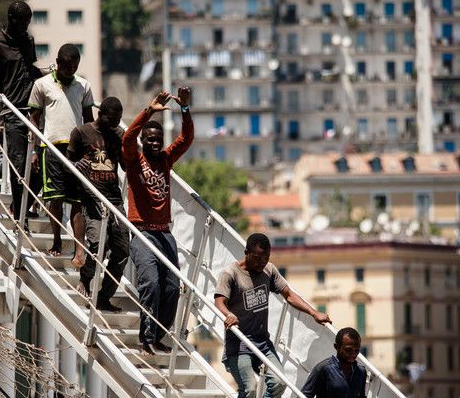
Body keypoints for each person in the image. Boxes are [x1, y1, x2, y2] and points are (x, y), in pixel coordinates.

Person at [215, 233, 331, 398]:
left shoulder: (269, 270)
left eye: (266, 257)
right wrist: (228, 314)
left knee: (279, 383)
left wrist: (313, 313)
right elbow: (219, 301)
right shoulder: (231, 273)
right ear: (246, 252)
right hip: (239, 345)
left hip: (263, 343)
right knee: (249, 389)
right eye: (257, 258)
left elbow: (289, 295)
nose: (262, 262)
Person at [122, 87, 193, 356]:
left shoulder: (165, 159)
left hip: (165, 233)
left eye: (157, 139)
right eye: (149, 139)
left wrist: (185, 109)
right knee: (150, 283)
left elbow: (185, 140)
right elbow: (128, 136)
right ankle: (146, 337)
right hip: (142, 232)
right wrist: (149, 110)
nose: (154, 143)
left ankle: (161, 334)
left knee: (173, 287)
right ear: (144, 140)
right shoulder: (134, 160)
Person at [28, 44, 94, 265]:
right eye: (66, 66)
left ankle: (79, 250)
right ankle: (57, 240)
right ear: (57, 62)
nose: (70, 70)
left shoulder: (84, 86)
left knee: (77, 202)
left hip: (77, 150)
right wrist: (36, 149)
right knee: (54, 198)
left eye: (74, 66)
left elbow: (89, 121)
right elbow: (34, 119)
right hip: (51, 147)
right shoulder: (42, 85)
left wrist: (92, 151)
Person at [0, 0, 42, 224]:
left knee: (44, 164)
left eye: (29, 22)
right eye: (23, 22)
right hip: (13, 112)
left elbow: (31, 70)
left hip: (35, 112)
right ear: (11, 19)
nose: (26, 26)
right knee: (19, 166)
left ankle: (21, 206)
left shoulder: (29, 41)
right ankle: (20, 216)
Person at [67, 97, 128, 312]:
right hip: (92, 197)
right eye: (112, 119)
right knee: (97, 244)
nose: (116, 124)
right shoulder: (81, 132)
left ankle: (104, 296)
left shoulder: (118, 134)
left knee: (122, 250)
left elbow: (126, 166)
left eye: (119, 120)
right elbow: (68, 164)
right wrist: (76, 165)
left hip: (114, 198)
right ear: (101, 114)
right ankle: (85, 279)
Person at [301, 327, 367, 398]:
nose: (353, 354)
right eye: (348, 350)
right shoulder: (323, 369)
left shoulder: (361, 371)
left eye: (356, 350)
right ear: (336, 347)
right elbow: (304, 395)